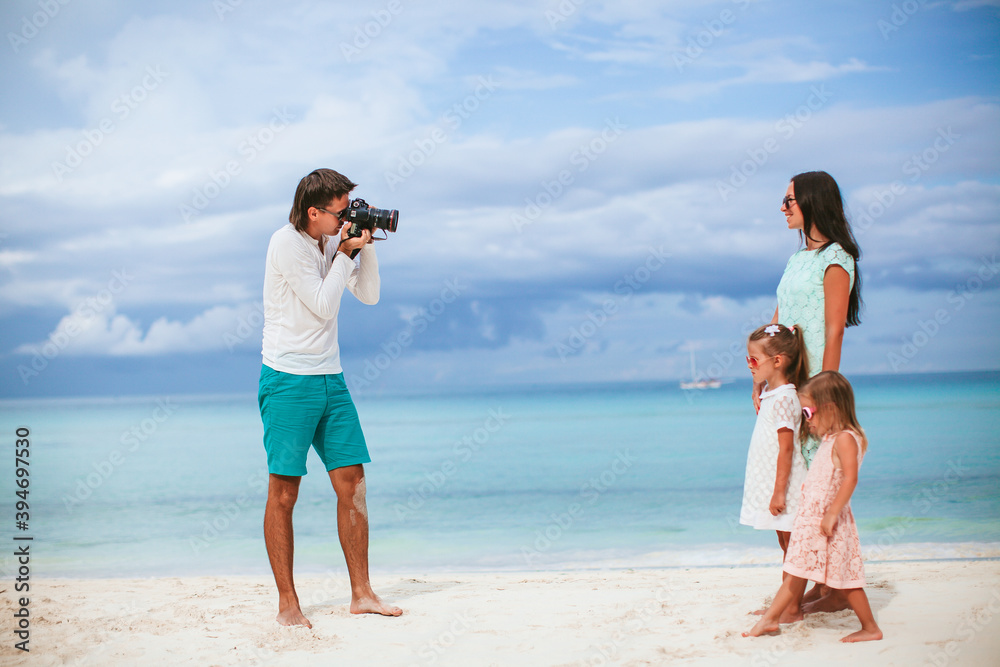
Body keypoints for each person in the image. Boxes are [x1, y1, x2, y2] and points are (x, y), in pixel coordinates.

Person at [258, 168, 402, 627]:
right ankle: (288, 604)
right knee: (285, 492)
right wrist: (344, 252)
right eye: (341, 213)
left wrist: (365, 246)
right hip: (288, 379)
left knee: (353, 483)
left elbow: (370, 295)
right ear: (312, 212)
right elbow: (322, 305)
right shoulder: (286, 243)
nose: (346, 220)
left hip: (330, 379)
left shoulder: (330, 241)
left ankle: (362, 594)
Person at [743, 371, 882, 643]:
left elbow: (850, 479)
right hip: (811, 520)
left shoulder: (845, 438)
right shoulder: (830, 437)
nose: (806, 420)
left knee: (847, 580)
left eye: (808, 412)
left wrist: (832, 514)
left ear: (830, 408)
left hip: (829, 521)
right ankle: (771, 619)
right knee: (796, 569)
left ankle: (870, 628)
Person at [753, 170, 863, 467]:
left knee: (812, 469)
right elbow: (777, 323)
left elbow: (835, 331)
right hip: (784, 381)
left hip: (812, 383)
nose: (782, 208)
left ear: (811, 201)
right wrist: (762, 373)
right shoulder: (797, 259)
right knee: (781, 469)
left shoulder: (836, 257)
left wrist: (824, 396)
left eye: (789, 200)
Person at [740, 324, 809, 560]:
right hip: (773, 482)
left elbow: (787, 449)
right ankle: (794, 583)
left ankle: (794, 584)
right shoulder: (770, 394)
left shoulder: (784, 398)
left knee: (792, 543)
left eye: (754, 360)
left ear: (777, 361)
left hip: (786, 487)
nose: (749, 366)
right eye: (748, 360)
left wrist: (779, 493)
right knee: (784, 541)